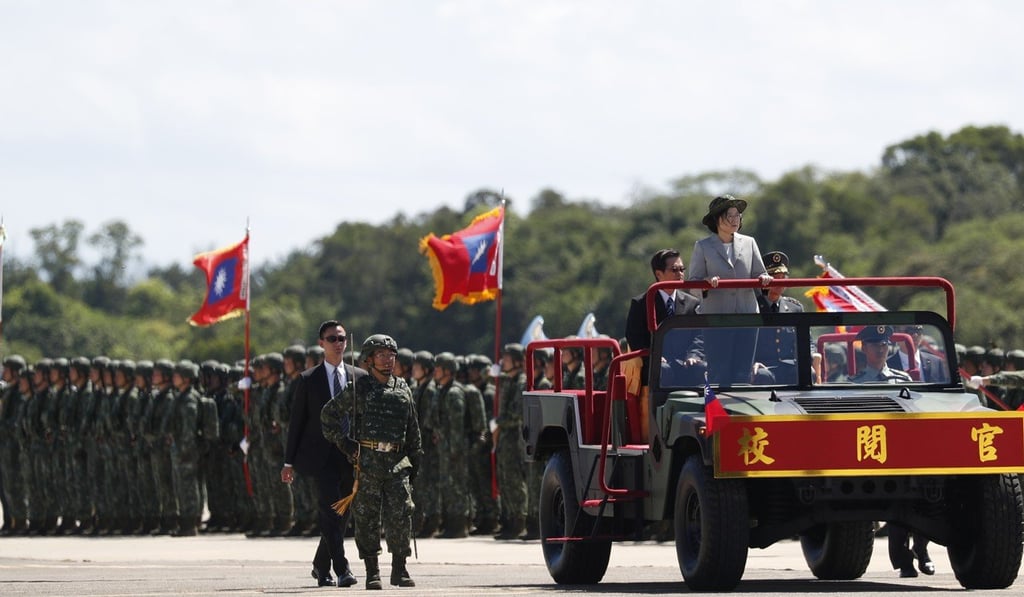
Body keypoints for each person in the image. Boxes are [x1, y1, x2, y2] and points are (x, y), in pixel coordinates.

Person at [321, 334, 421, 590]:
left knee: (401, 517)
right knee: (366, 519)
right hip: (367, 465)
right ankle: (372, 572)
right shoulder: (359, 389)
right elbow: (328, 415)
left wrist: (415, 462)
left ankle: (399, 569)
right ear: (368, 360)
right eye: (381, 355)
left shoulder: (403, 388)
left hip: (398, 463)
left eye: (391, 356)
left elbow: (413, 429)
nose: (388, 361)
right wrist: (346, 445)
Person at [282, 320, 364, 588]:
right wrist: (288, 461)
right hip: (320, 457)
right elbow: (297, 423)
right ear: (321, 344)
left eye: (341, 338)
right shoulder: (308, 379)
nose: (338, 343)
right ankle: (342, 569)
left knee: (343, 514)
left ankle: (320, 565)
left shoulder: (358, 377)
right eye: (332, 339)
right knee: (330, 511)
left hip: (350, 455)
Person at [688, 195, 772, 384]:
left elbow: (760, 273)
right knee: (719, 371)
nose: (735, 220)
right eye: (729, 215)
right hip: (717, 317)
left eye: (738, 215)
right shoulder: (703, 246)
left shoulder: (749, 242)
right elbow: (693, 284)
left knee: (743, 372)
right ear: (717, 219)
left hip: (746, 315)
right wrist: (706, 282)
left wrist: (764, 279)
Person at [753, 251, 820, 384]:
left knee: (808, 373)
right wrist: (751, 363)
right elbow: (745, 341)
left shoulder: (794, 307)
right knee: (762, 377)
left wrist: (810, 356)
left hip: (790, 366)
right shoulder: (753, 306)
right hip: (764, 366)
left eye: (783, 277)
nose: (780, 282)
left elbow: (807, 340)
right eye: (775, 277)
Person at [493, 343, 529, 541]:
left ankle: (518, 520)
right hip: (505, 438)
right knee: (504, 479)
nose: (503, 362)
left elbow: (516, 414)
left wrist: (498, 422)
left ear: (516, 360)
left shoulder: (521, 382)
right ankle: (507, 519)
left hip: (515, 437)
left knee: (514, 480)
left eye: (507, 359)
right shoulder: (508, 381)